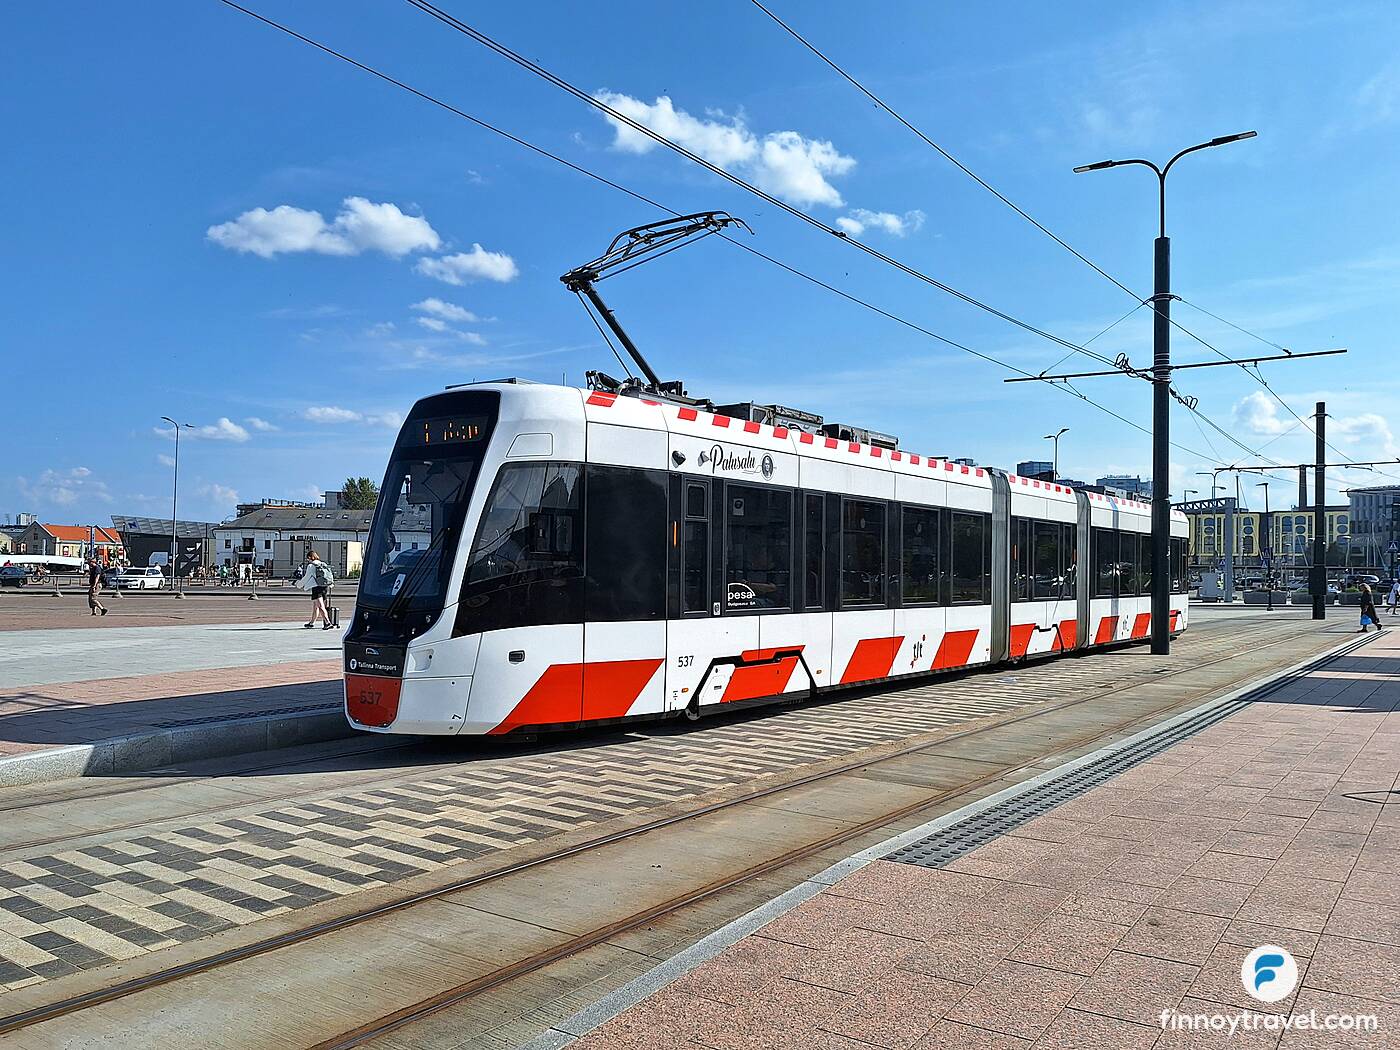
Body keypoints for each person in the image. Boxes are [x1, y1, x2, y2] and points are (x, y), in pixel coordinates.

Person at [301, 551, 335, 630]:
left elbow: (306, 577)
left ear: (310, 557)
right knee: (315, 606)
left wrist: (299, 585)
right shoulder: (323, 564)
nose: (307, 560)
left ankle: (328, 623)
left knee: (320, 606)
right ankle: (311, 623)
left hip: (316, 587)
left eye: (307, 558)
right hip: (324, 586)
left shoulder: (311, 566)